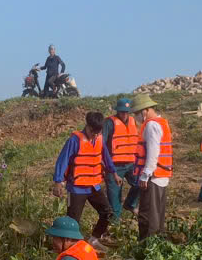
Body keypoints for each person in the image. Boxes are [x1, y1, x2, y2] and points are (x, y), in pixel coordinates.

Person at [52, 110, 117, 249]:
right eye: (93, 132)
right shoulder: (74, 141)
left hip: (94, 186)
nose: (95, 135)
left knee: (107, 212)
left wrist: (114, 173)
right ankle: (68, 248)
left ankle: (94, 239)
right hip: (76, 188)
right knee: (72, 222)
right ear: (87, 126)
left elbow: (106, 157)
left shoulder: (99, 139)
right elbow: (62, 160)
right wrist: (58, 181)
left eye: (98, 133)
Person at [127, 92, 172, 240]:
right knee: (157, 214)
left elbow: (153, 153)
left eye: (136, 113)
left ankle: (147, 245)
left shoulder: (152, 125)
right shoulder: (161, 122)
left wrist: (145, 175)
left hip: (153, 176)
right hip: (161, 175)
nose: (136, 117)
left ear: (144, 111)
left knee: (147, 215)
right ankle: (157, 243)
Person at [103, 97, 139, 222]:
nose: (124, 114)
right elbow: (102, 144)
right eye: (122, 112)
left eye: (126, 112)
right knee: (114, 196)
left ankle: (130, 204)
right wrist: (105, 164)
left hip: (131, 163)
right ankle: (115, 223)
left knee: (140, 183)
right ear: (117, 111)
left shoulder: (133, 121)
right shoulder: (109, 123)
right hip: (114, 165)